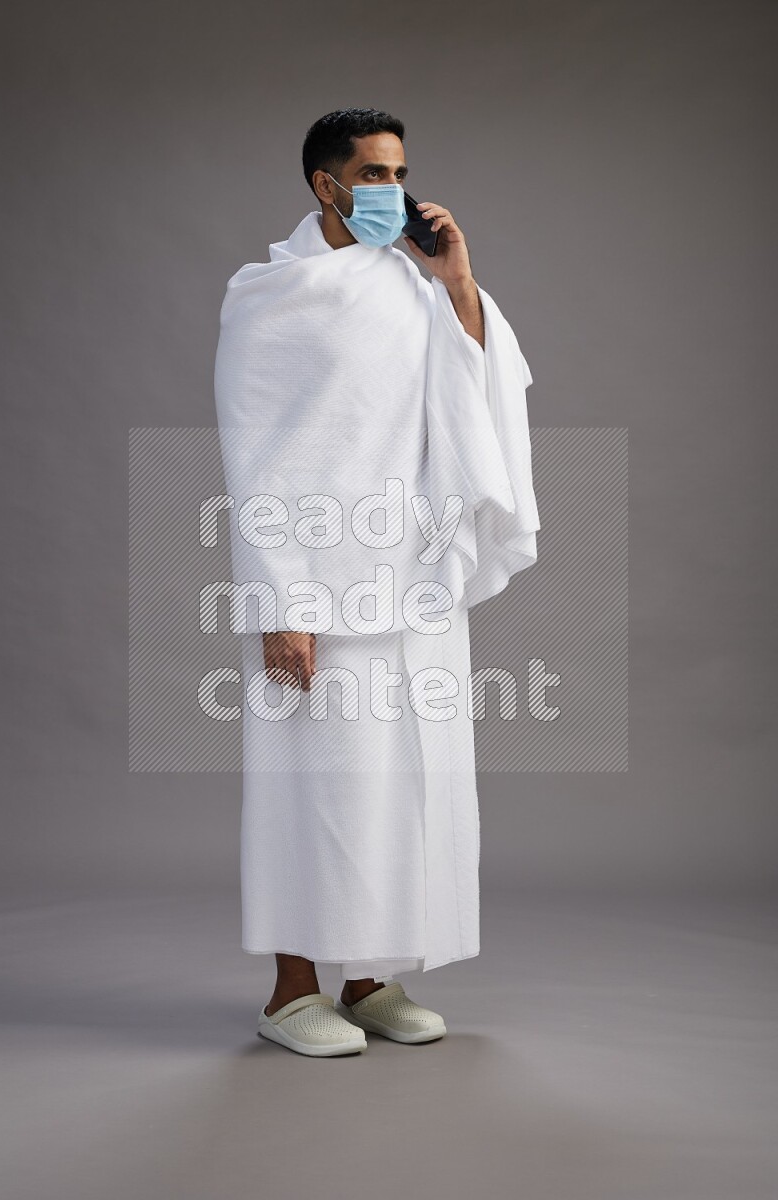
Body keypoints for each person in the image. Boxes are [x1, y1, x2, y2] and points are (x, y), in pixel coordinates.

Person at [213, 108, 540, 1056]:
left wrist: (458, 276)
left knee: (403, 784)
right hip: (315, 579)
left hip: (414, 572)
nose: (393, 190)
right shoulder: (271, 295)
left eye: (400, 171)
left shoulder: (415, 280)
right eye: (374, 173)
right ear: (326, 184)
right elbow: (259, 456)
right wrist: (282, 603)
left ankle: (365, 979)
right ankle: (289, 991)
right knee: (308, 784)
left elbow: (488, 382)